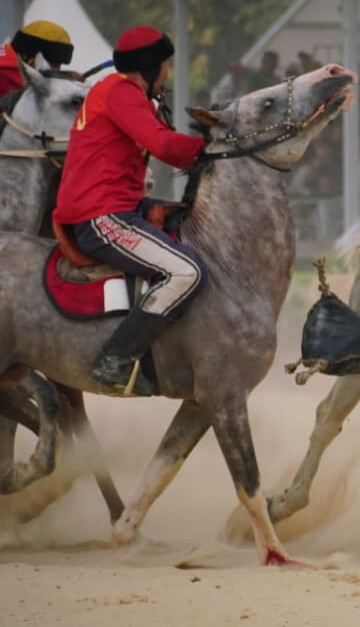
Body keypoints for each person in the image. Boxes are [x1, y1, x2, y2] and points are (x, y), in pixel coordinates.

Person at [53, 26, 206, 396]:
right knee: (188, 272)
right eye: (165, 65)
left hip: (119, 206)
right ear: (150, 66)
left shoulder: (118, 91)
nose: (167, 73)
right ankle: (114, 359)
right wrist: (213, 145)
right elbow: (163, 144)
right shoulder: (121, 92)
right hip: (102, 215)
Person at [0, 20, 74, 97]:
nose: (57, 70)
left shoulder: (7, 57)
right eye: (52, 63)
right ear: (30, 58)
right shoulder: (6, 72)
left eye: (59, 64)